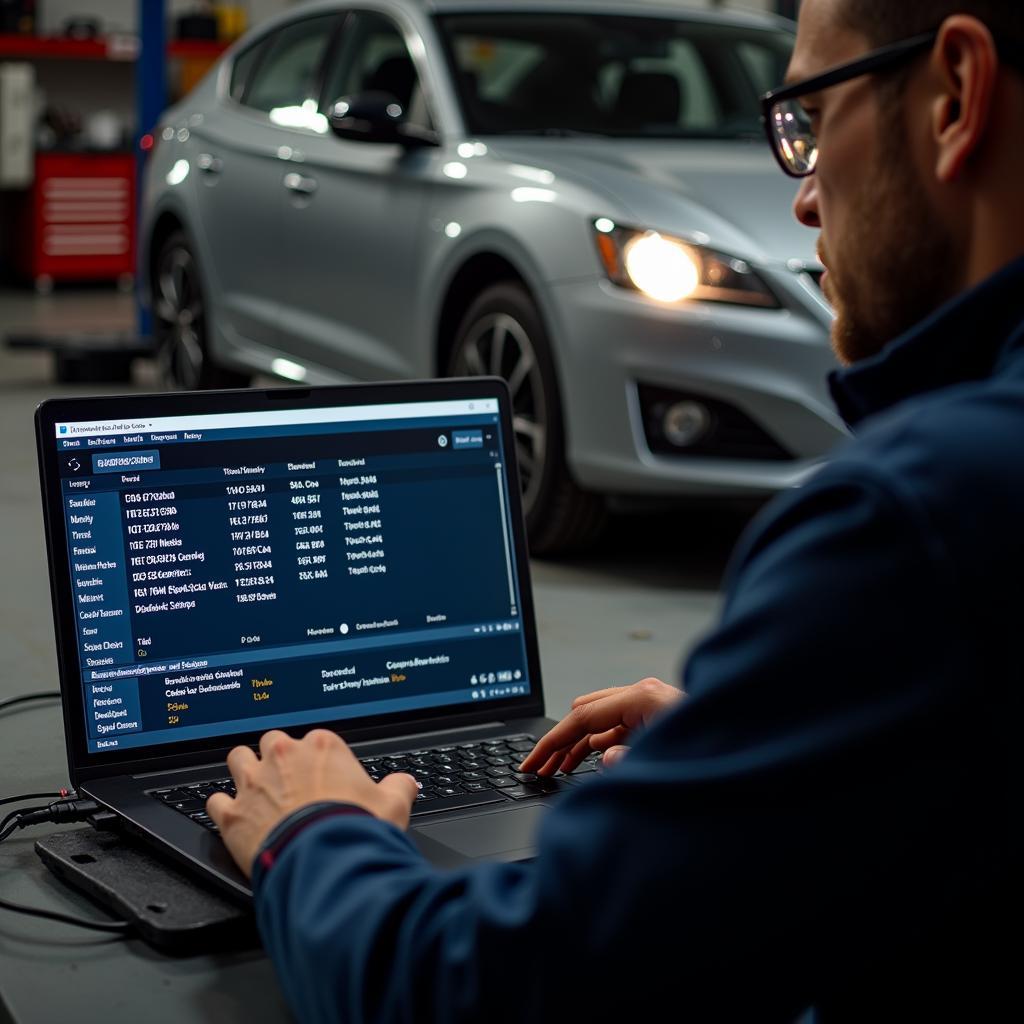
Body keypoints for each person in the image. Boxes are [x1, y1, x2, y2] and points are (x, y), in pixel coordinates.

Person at [207, 1, 1024, 1018]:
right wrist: (769, 742)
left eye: (808, 119)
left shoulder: (918, 519)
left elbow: (474, 994)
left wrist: (312, 831)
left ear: (953, 95)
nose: (804, 199)